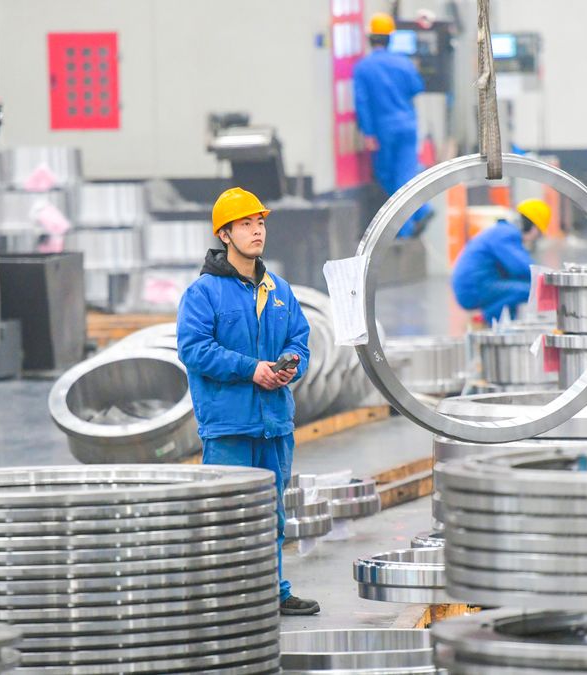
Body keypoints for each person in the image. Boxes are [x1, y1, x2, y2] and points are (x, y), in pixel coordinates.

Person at [176, 187, 319, 616]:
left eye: (260, 223)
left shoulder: (279, 289)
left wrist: (293, 364)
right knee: (226, 518)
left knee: (271, 515)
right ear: (224, 233)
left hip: (274, 423)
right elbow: (193, 349)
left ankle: (271, 592)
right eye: (245, 224)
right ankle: (224, 597)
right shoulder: (204, 293)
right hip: (229, 427)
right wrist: (251, 368)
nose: (257, 231)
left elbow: (301, 339)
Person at [353, 12, 433, 238]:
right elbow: (417, 87)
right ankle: (422, 211)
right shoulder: (403, 63)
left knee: (388, 177)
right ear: (390, 38)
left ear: (370, 38)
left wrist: (368, 133)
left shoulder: (363, 68)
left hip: (383, 130)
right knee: (406, 174)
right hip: (407, 126)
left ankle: (406, 228)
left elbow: (362, 102)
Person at [451, 199, 551, 324]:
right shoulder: (506, 234)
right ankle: (488, 322)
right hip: (474, 288)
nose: (536, 239)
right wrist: (551, 280)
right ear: (533, 227)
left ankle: (501, 325)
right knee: (529, 290)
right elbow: (523, 268)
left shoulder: (503, 231)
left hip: (476, 285)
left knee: (515, 290)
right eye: (539, 234)